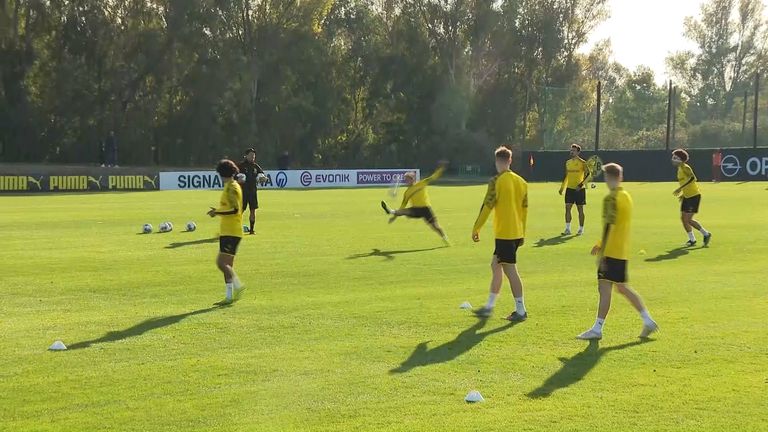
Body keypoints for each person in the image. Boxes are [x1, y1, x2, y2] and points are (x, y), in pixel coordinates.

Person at [577, 163, 658, 340]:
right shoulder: (626, 196)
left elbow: (609, 225)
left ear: (607, 177)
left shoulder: (611, 199)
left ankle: (597, 329)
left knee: (604, 287)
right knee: (622, 287)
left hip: (611, 252)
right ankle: (648, 320)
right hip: (622, 251)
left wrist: (602, 251)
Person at [471, 147, 529, 321]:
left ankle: (521, 310)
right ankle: (489, 306)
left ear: (497, 161)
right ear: (510, 160)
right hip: (516, 232)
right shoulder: (522, 182)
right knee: (496, 265)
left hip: (505, 233)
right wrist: (523, 233)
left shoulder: (496, 181)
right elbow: (524, 210)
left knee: (510, 270)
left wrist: (476, 228)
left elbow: (487, 206)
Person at [380, 161, 450, 244]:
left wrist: (441, 169)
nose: (406, 181)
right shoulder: (407, 192)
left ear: (412, 179)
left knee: (435, 226)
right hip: (416, 210)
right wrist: (394, 217)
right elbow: (402, 207)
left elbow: (433, 177)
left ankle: (444, 238)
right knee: (406, 211)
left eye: (407, 180)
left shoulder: (422, 183)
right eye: (405, 180)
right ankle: (390, 211)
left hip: (426, 209)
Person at [207, 159, 245, 303]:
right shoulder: (230, 186)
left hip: (232, 231)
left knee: (221, 263)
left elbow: (234, 209)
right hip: (228, 231)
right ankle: (229, 297)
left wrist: (216, 212)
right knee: (228, 265)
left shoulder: (232, 188)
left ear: (222, 174)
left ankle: (238, 285)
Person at [672, 149, 712, 247]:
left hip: (694, 196)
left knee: (688, 219)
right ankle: (692, 240)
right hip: (687, 196)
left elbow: (693, 178)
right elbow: (685, 182)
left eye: (675, 158)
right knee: (683, 218)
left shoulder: (685, 167)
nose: (672, 160)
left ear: (680, 159)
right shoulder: (679, 169)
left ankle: (706, 234)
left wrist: (680, 189)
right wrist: (683, 193)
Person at [558, 144, 591, 236]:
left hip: (579, 190)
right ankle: (567, 229)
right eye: (571, 150)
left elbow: (589, 175)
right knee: (567, 208)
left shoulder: (583, 163)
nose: (571, 152)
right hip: (570, 189)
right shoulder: (568, 162)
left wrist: (580, 185)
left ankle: (581, 229)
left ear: (578, 152)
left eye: (573, 150)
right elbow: (566, 176)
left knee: (580, 209)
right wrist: (562, 188)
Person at [237, 148, 266, 235]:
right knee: (241, 210)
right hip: (243, 192)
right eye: (250, 155)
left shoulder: (256, 166)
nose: (252, 157)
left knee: (253, 210)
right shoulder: (240, 166)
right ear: (246, 156)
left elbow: (262, 176)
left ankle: (252, 230)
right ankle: (236, 229)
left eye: (254, 156)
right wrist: (238, 179)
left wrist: (263, 179)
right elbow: (234, 176)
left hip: (253, 191)